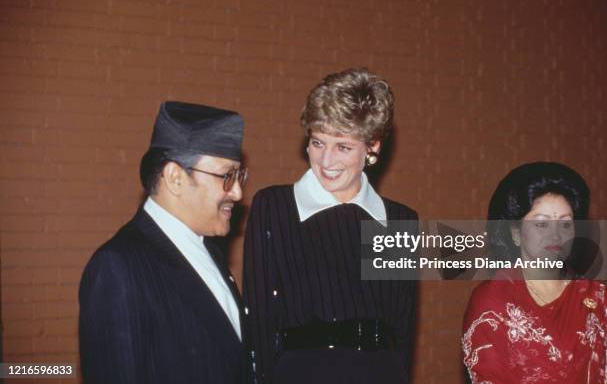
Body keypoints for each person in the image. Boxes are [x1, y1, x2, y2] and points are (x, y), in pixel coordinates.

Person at [243, 68, 418, 384]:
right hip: (302, 373)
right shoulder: (275, 206)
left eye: (343, 146)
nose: (326, 160)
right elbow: (259, 319)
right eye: (318, 142)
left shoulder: (400, 221)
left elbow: (402, 332)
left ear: (373, 146)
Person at [79, 101, 249, 384]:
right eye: (227, 176)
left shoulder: (208, 250)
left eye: (239, 175)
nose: (238, 192)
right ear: (175, 178)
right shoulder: (119, 267)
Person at [462, 162, 607, 384]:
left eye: (565, 224)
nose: (556, 235)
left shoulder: (600, 299)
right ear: (516, 233)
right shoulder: (492, 303)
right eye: (541, 224)